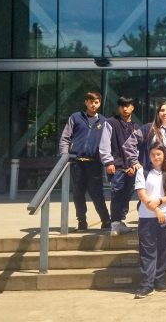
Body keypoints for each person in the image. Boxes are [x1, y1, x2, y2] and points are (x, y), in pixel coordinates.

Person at [58, 91, 110, 232]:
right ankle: (82, 221)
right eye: (91, 101)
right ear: (86, 102)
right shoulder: (76, 117)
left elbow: (107, 143)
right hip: (77, 162)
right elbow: (65, 138)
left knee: (97, 193)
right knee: (78, 193)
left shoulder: (104, 122)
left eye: (96, 102)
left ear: (99, 103)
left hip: (94, 162)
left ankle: (106, 221)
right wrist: (65, 155)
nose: (93, 104)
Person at [133, 144, 166, 298]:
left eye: (158, 154)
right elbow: (142, 195)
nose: (156, 157)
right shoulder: (142, 172)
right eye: (152, 154)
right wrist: (157, 210)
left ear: (164, 155)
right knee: (147, 251)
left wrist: (159, 202)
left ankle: (159, 279)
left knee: (163, 249)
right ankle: (147, 284)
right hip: (147, 217)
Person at [99, 96, 141, 236]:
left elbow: (137, 148)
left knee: (127, 194)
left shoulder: (136, 127)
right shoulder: (110, 122)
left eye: (128, 105)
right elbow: (104, 144)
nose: (125, 108)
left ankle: (120, 221)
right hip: (116, 167)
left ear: (132, 108)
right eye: (122, 105)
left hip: (131, 168)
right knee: (117, 194)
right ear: (119, 108)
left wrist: (134, 165)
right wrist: (108, 162)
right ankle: (115, 224)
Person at [123, 100, 166, 187]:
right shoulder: (148, 128)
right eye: (162, 110)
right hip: (149, 172)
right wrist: (134, 162)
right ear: (158, 113)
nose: (164, 113)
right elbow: (129, 144)